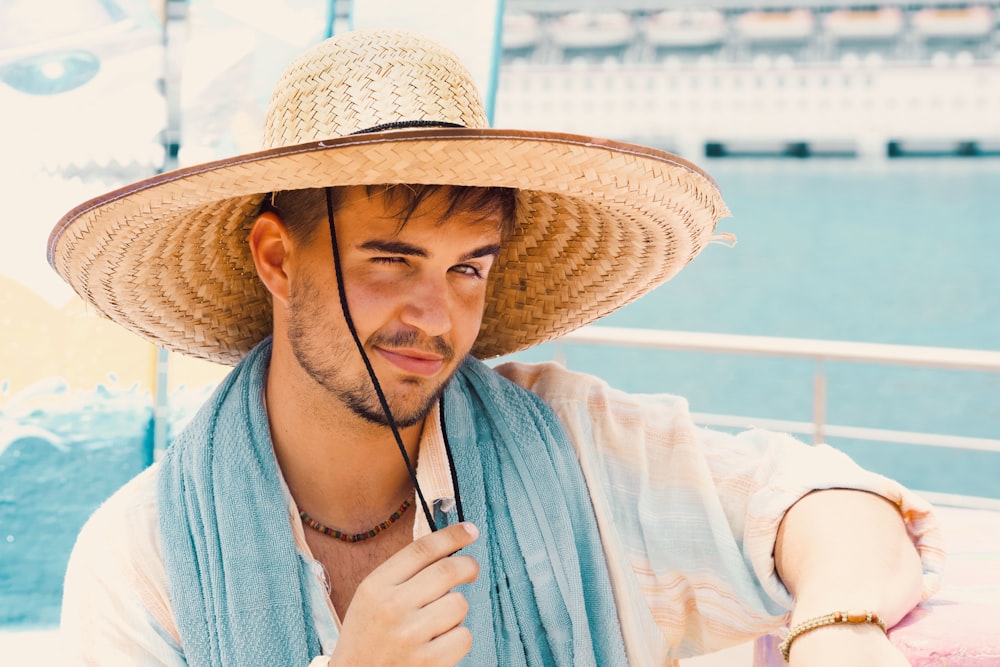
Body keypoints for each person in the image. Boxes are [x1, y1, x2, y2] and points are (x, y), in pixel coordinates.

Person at [51, 29, 942, 666]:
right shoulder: (141, 551)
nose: (437, 316)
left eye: (469, 267)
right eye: (392, 260)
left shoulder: (569, 443)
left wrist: (838, 625)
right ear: (278, 258)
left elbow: (818, 497)